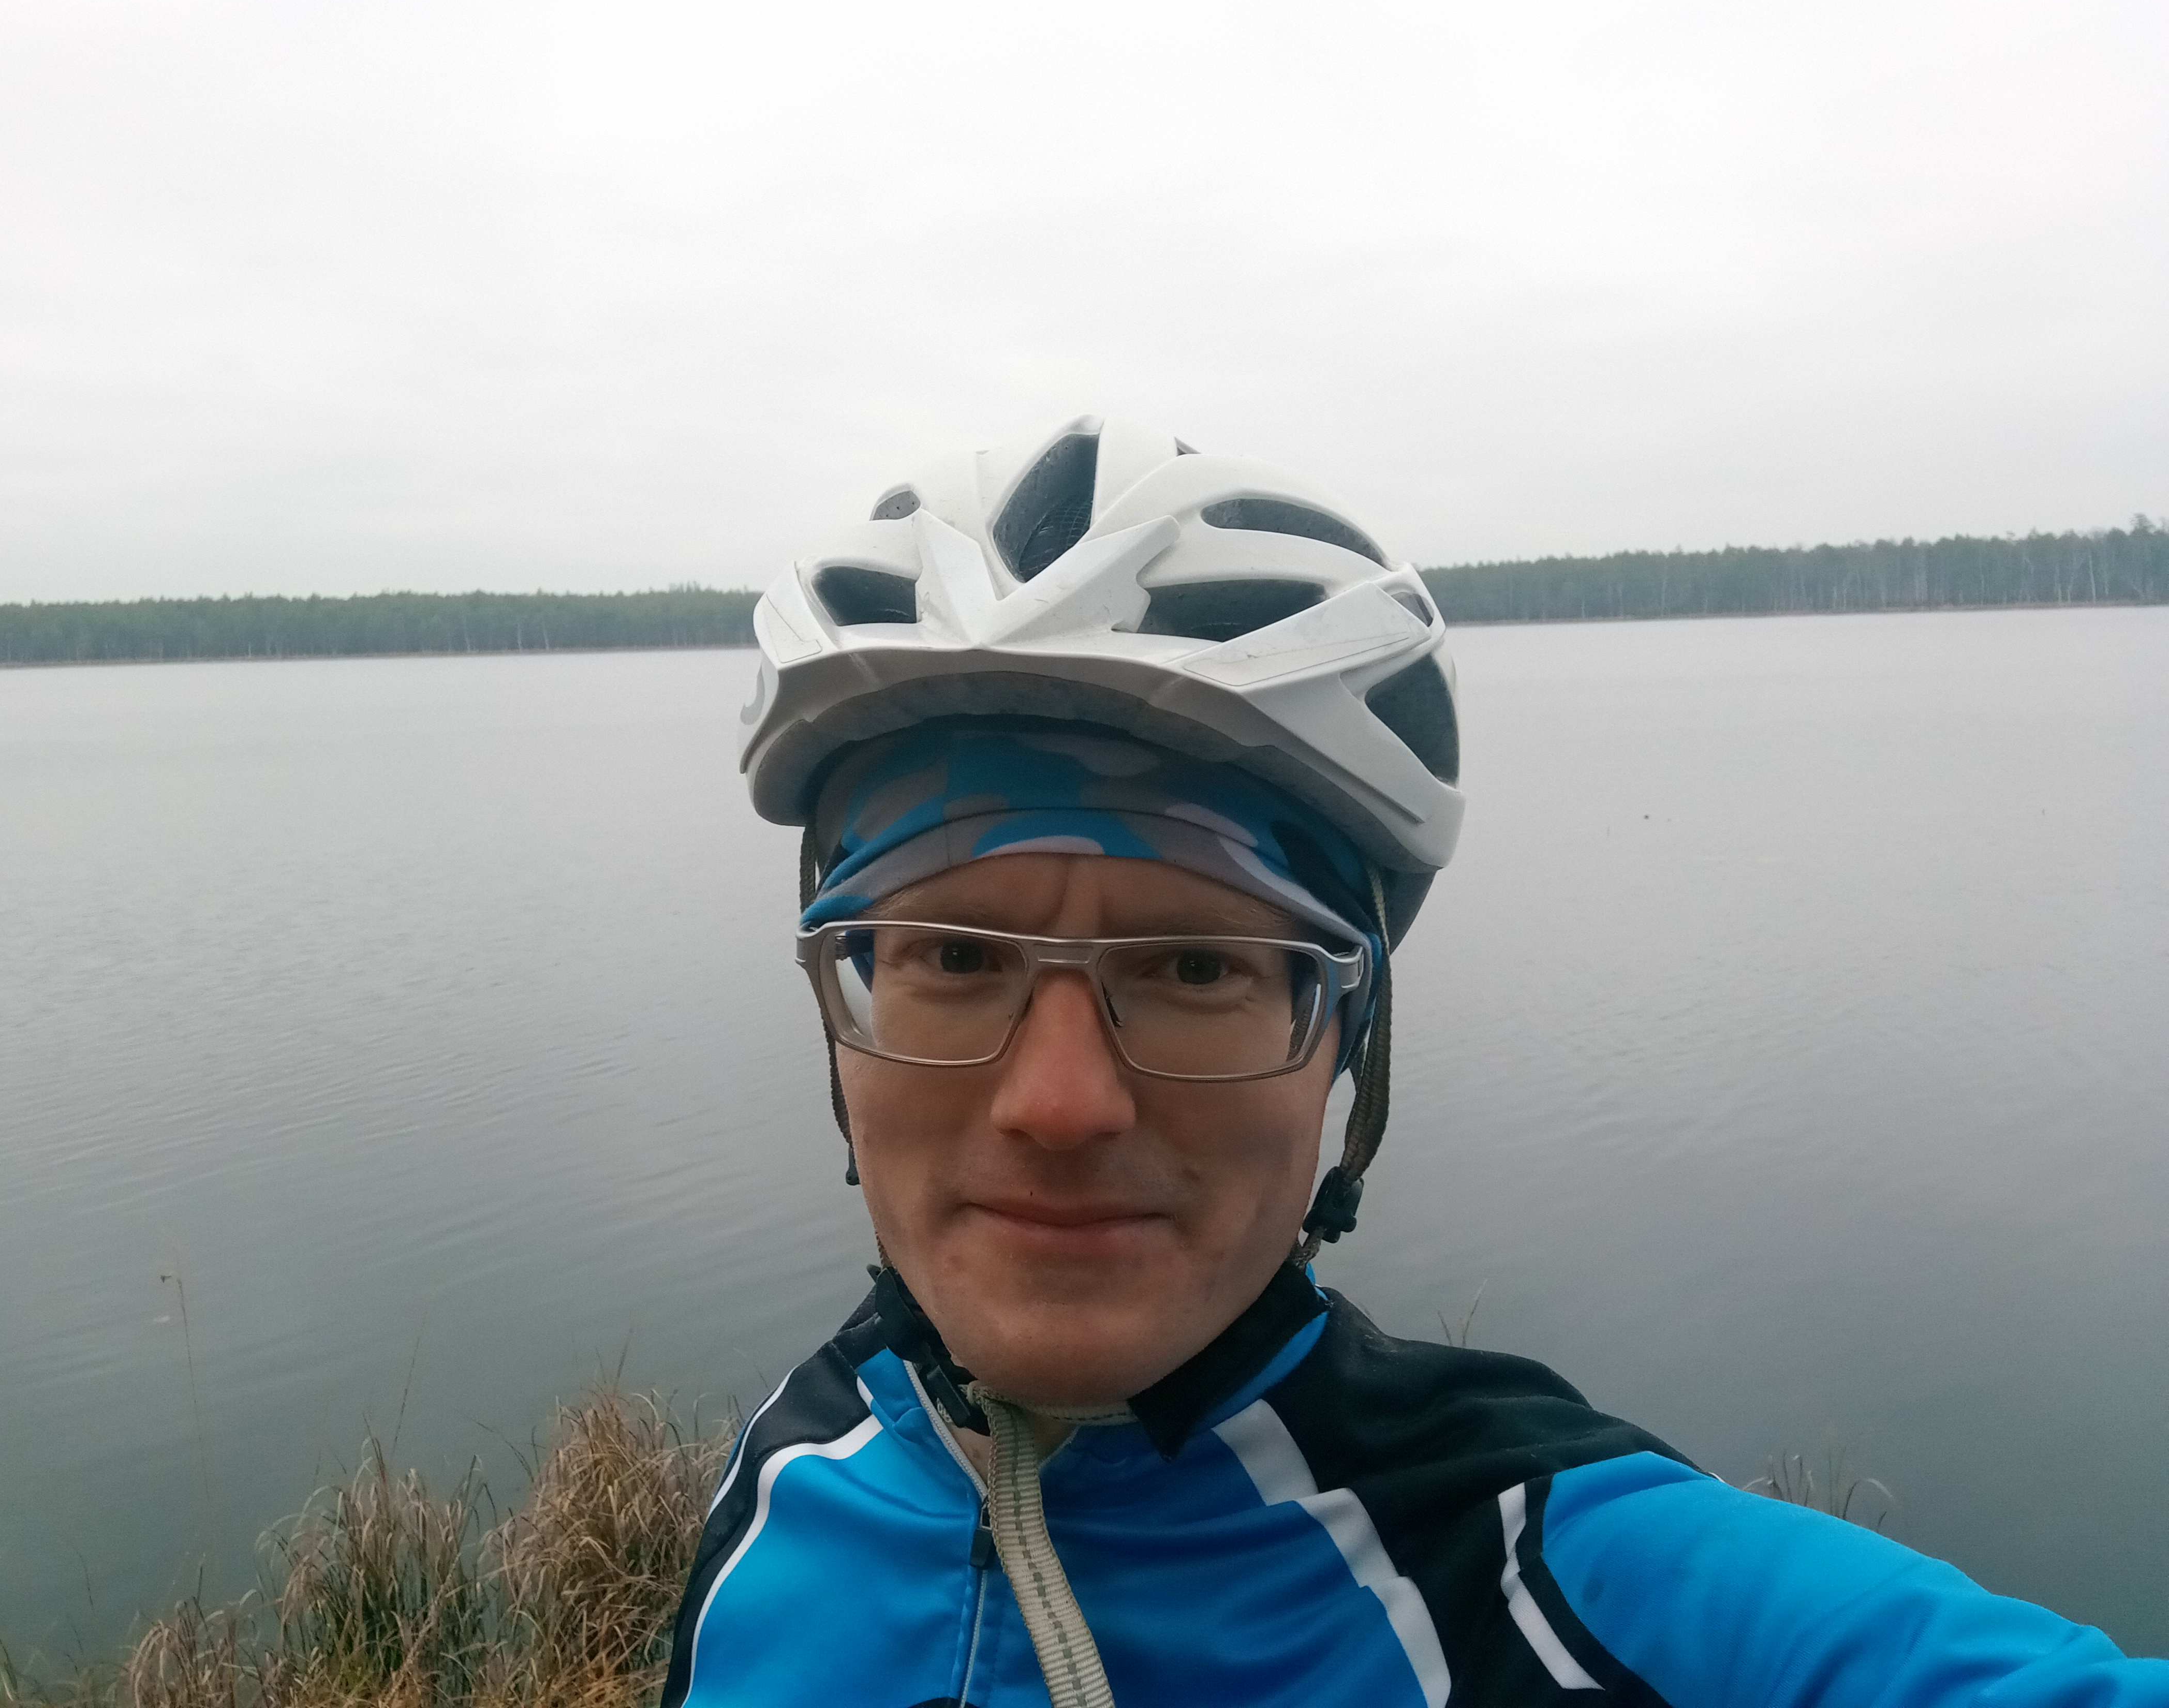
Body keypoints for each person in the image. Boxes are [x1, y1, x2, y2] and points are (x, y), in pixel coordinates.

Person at [662, 417, 2166, 1708]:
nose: (1060, 1105)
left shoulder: (1563, 1581)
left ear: (1349, 1042)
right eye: (953, 957)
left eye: (1197, 968)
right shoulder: (779, 1494)